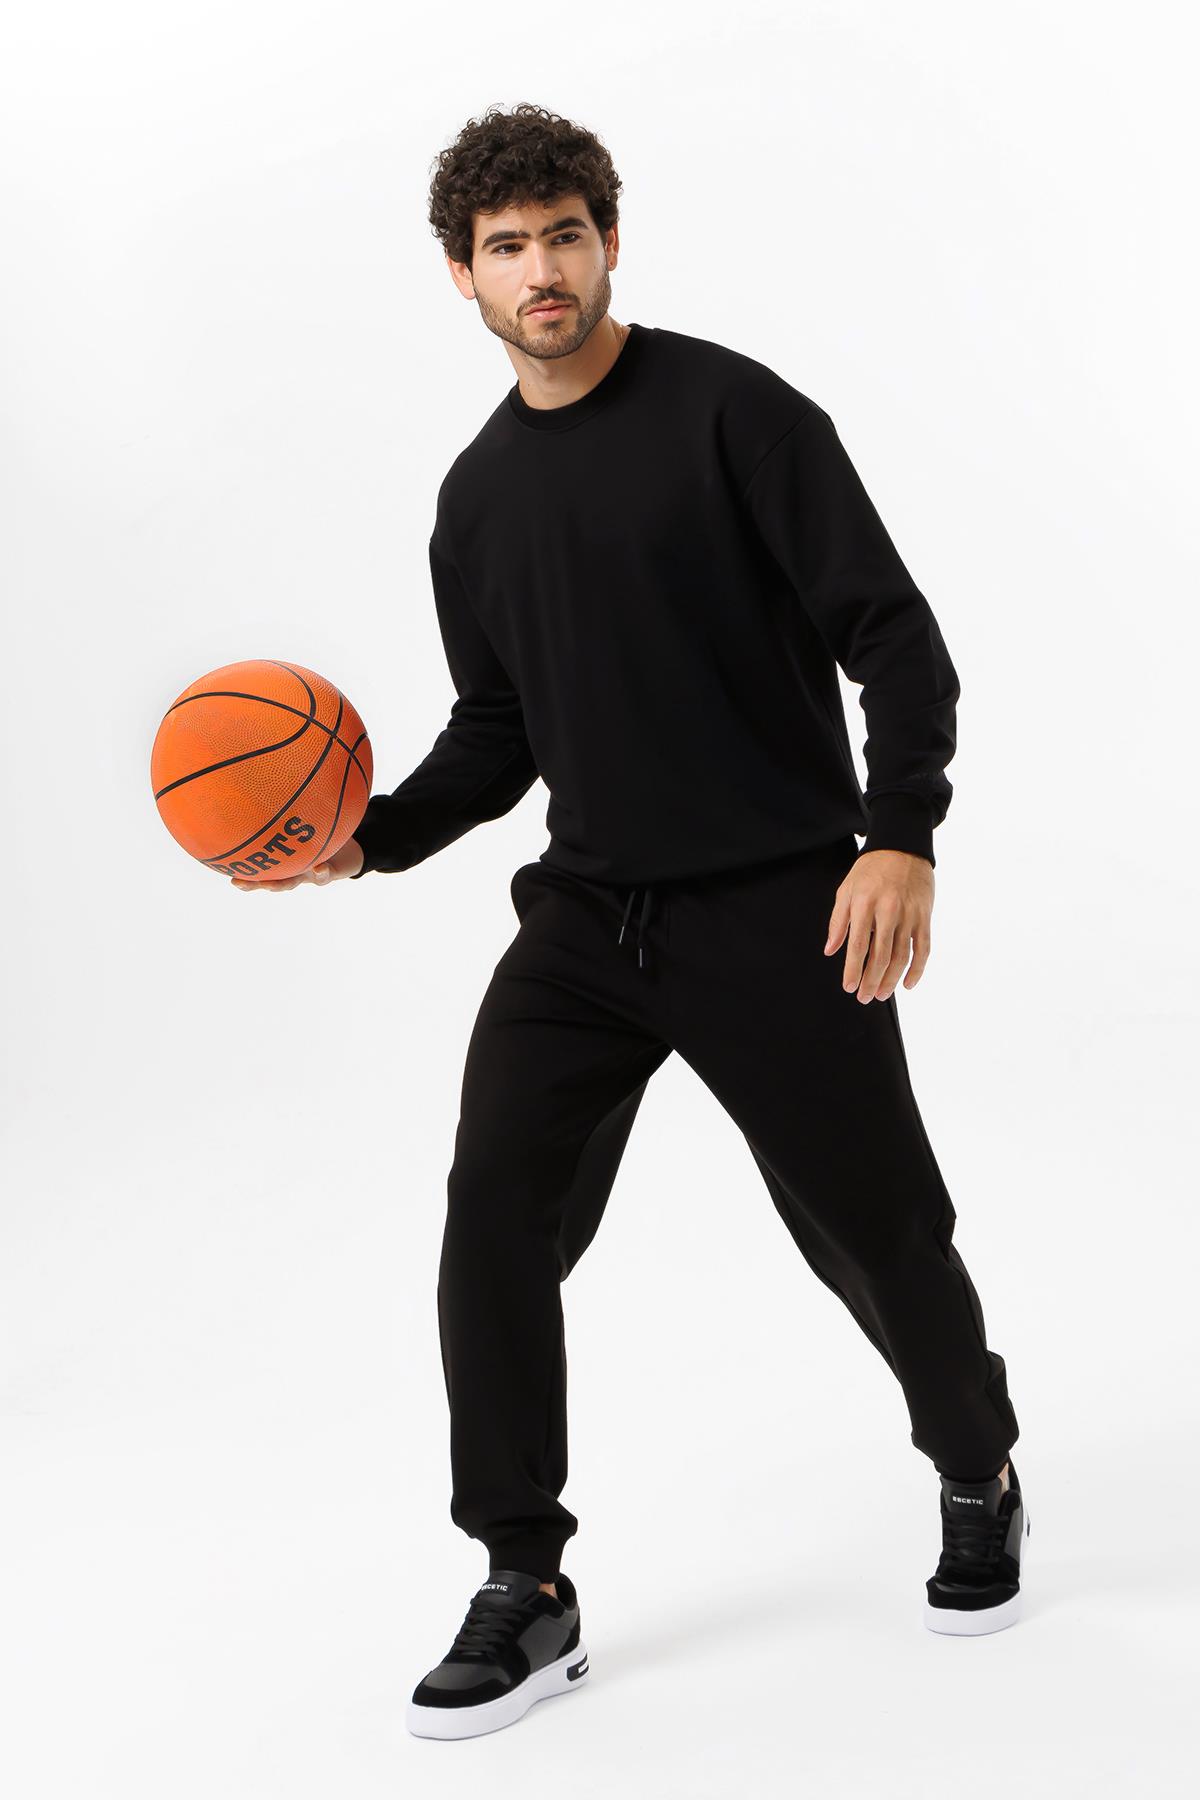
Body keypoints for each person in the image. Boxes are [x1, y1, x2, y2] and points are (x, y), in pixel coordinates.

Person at [232, 101, 1029, 1740]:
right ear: (459, 274)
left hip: (782, 904)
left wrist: (899, 838)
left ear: (609, 242)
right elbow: (498, 730)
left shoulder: (739, 416)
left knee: (876, 1232)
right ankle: (524, 1579)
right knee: (494, 1216)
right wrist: (368, 844)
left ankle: (977, 1466)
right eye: (506, 247)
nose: (541, 270)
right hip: (588, 921)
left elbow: (895, 638)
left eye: (564, 235)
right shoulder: (474, 499)